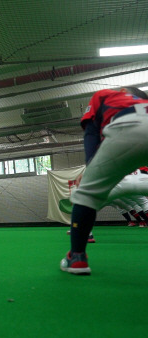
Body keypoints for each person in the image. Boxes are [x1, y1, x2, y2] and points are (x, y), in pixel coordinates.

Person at [61, 86, 148, 275]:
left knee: (86, 196)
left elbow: (91, 133)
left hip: (126, 127)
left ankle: (77, 257)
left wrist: (90, 166)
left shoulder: (104, 94)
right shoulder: (144, 102)